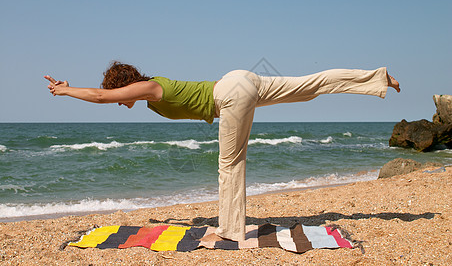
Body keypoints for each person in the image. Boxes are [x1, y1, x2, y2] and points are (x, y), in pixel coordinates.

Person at [45, 61, 400, 242]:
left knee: (230, 164)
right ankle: (377, 78)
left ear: (125, 85)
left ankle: (231, 231)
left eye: (119, 94)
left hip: (230, 94)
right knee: (310, 86)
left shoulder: (149, 89)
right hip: (240, 82)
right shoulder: (154, 88)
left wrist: (65, 90)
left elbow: (101, 96)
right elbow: (108, 97)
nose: (119, 101)